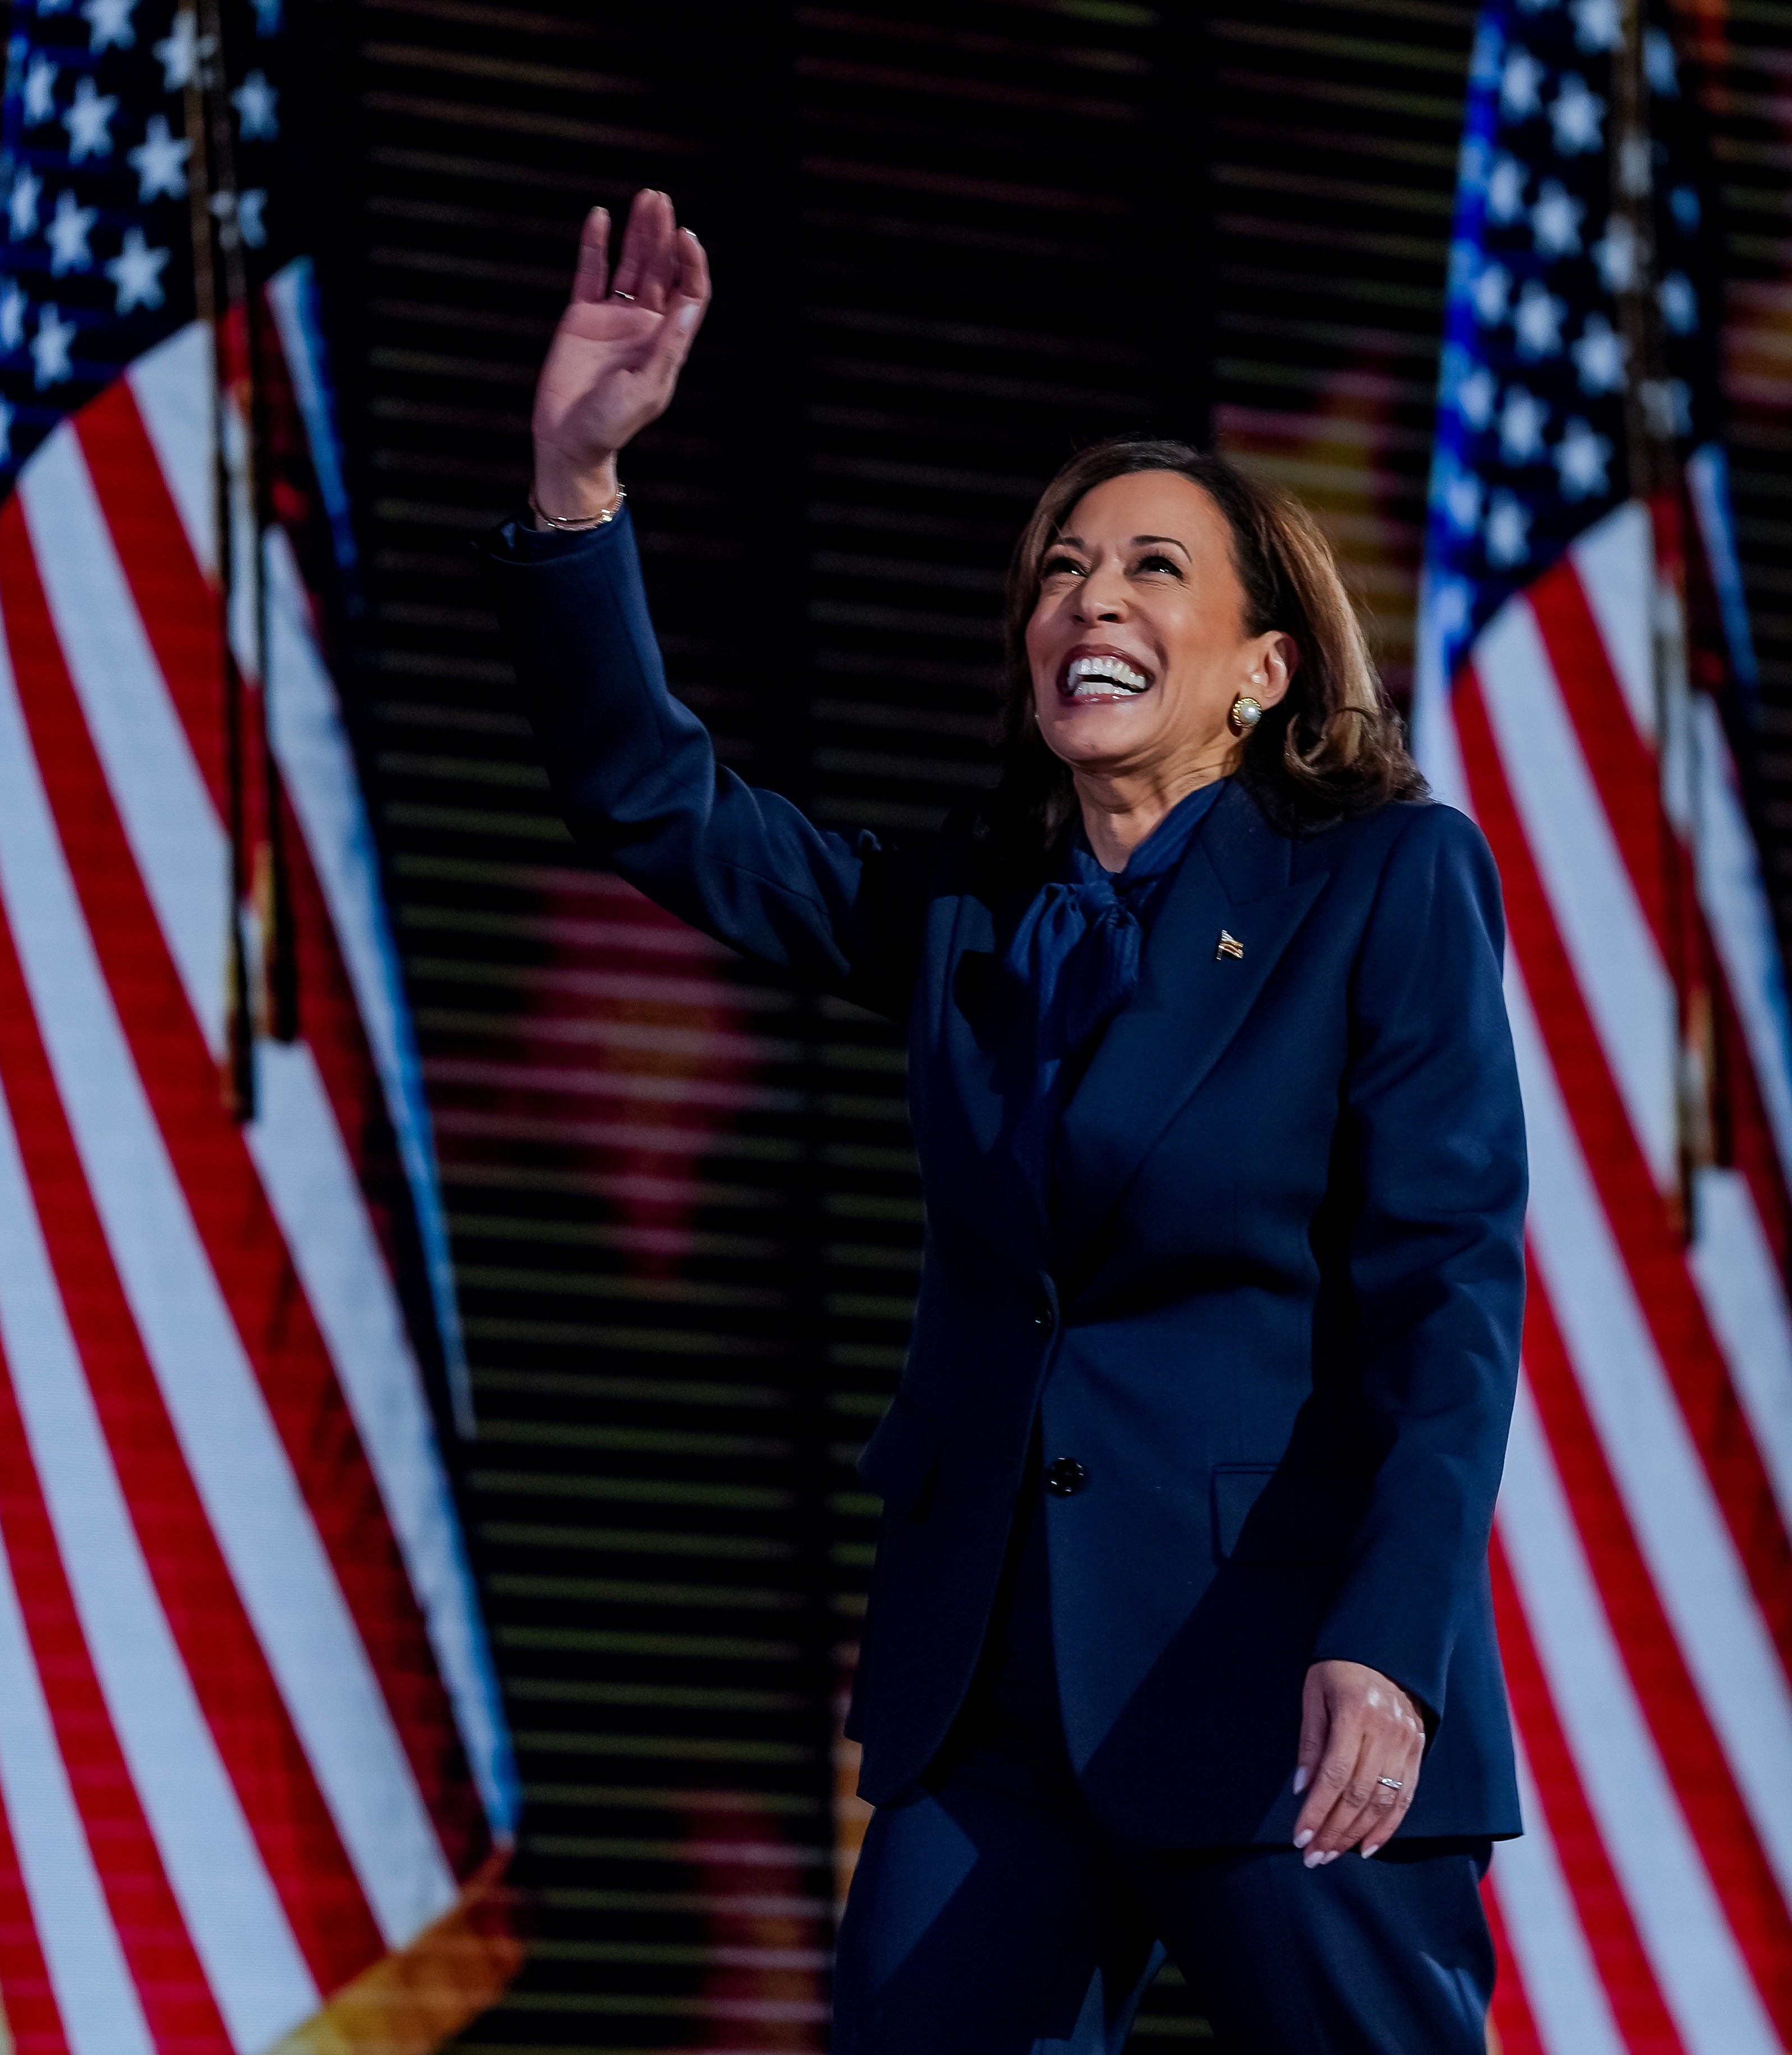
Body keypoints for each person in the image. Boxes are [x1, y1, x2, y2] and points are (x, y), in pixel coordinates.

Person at [476, 190, 1529, 2053]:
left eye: (1147, 569)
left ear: (1260, 669)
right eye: (1059, 567)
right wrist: (576, 488)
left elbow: (1445, 1295)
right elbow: (653, 804)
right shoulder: (969, 908)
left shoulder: (1382, 884)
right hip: (995, 1710)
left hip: (1276, 1675)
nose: (1088, 599)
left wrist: (1389, 1636)